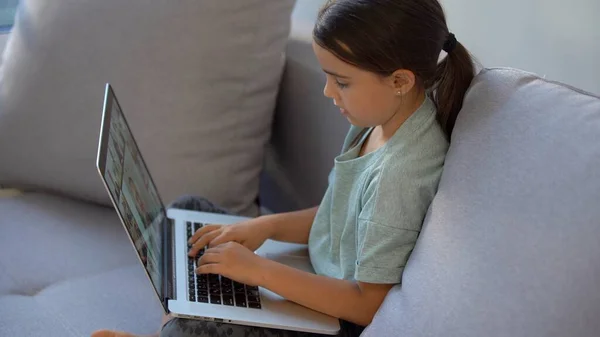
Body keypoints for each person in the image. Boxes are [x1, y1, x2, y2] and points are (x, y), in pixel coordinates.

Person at [92, 0, 475, 336]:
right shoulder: (378, 118)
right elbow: (337, 218)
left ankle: (178, 323)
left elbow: (367, 305)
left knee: (188, 326)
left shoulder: (401, 175)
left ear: (400, 81)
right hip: (312, 274)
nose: (328, 92)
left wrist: (259, 272)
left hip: (337, 318)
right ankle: (189, 311)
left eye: (341, 82)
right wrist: (265, 226)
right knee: (186, 214)